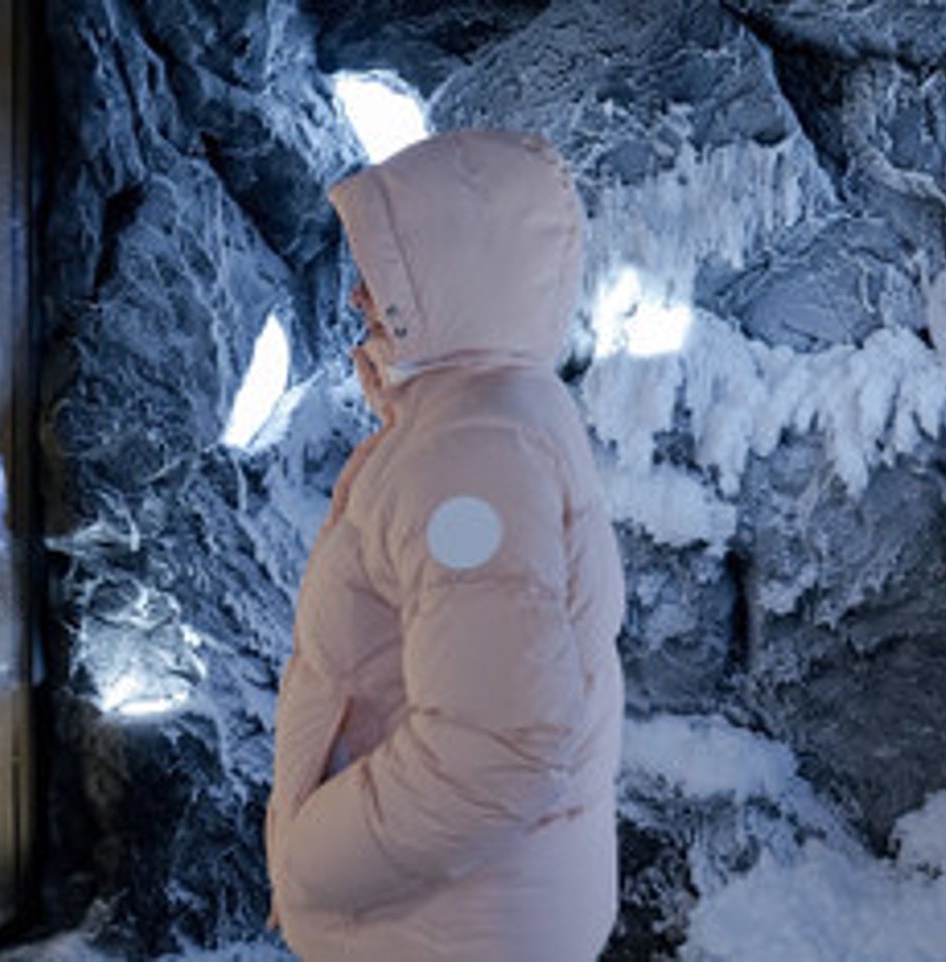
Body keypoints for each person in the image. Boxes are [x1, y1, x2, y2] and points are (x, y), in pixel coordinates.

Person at [266, 129, 626, 961]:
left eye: (383, 268)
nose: (358, 298)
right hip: (480, 912)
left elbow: (496, 745)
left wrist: (312, 860)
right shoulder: (497, 413)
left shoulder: (470, 460)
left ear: (453, 272)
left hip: (445, 927)